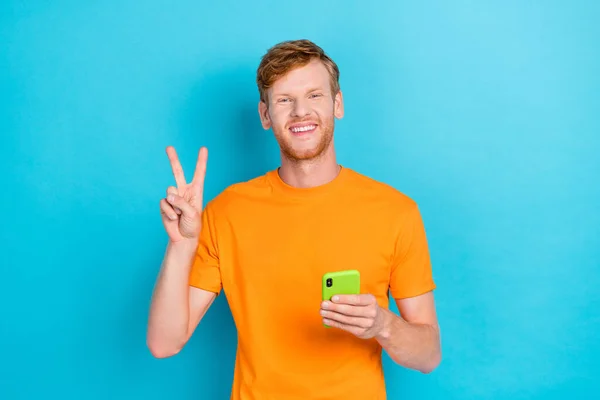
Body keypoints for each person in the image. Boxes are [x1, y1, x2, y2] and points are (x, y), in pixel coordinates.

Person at [146, 39, 441, 399]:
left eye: (315, 95)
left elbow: (429, 355)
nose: (301, 111)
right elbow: (164, 343)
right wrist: (181, 245)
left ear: (337, 104)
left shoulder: (396, 212)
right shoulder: (227, 212)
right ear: (266, 115)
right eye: (284, 100)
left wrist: (383, 324)